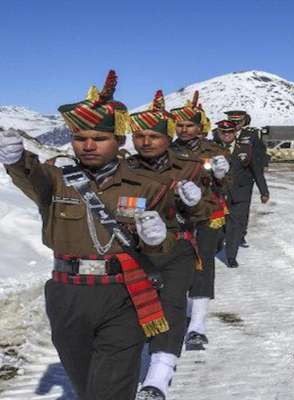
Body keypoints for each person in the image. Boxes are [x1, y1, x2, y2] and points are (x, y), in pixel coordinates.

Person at [0, 70, 175, 400]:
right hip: (68, 295)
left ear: (119, 140)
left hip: (123, 294)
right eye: (80, 138)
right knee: (87, 387)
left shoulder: (148, 186)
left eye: (99, 137)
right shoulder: (56, 178)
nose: (89, 145)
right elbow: (31, 174)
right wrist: (16, 160)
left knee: (110, 391)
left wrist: (156, 238)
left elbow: (165, 246)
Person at [128, 90, 217, 400]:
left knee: (172, 305)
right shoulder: (125, 169)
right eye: (139, 135)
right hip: (134, 251)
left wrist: (195, 205)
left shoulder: (189, 166)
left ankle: (159, 376)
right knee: (132, 310)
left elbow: (207, 208)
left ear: (166, 137)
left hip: (176, 246)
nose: (146, 142)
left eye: (153, 135)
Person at [170, 91, 231, 351]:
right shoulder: (168, 149)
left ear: (200, 127)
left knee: (203, 265)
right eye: (180, 125)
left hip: (207, 215)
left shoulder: (215, 151)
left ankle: (197, 324)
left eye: (189, 125)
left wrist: (221, 175)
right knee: (176, 264)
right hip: (175, 215)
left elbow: (228, 184)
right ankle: (180, 310)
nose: (184, 130)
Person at [216, 111, 270, 268]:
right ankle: (219, 243)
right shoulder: (213, 148)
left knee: (236, 223)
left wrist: (264, 191)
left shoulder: (248, 142)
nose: (226, 134)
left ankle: (231, 255)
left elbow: (256, 167)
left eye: (229, 131)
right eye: (223, 132)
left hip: (242, 190)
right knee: (221, 222)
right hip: (220, 190)